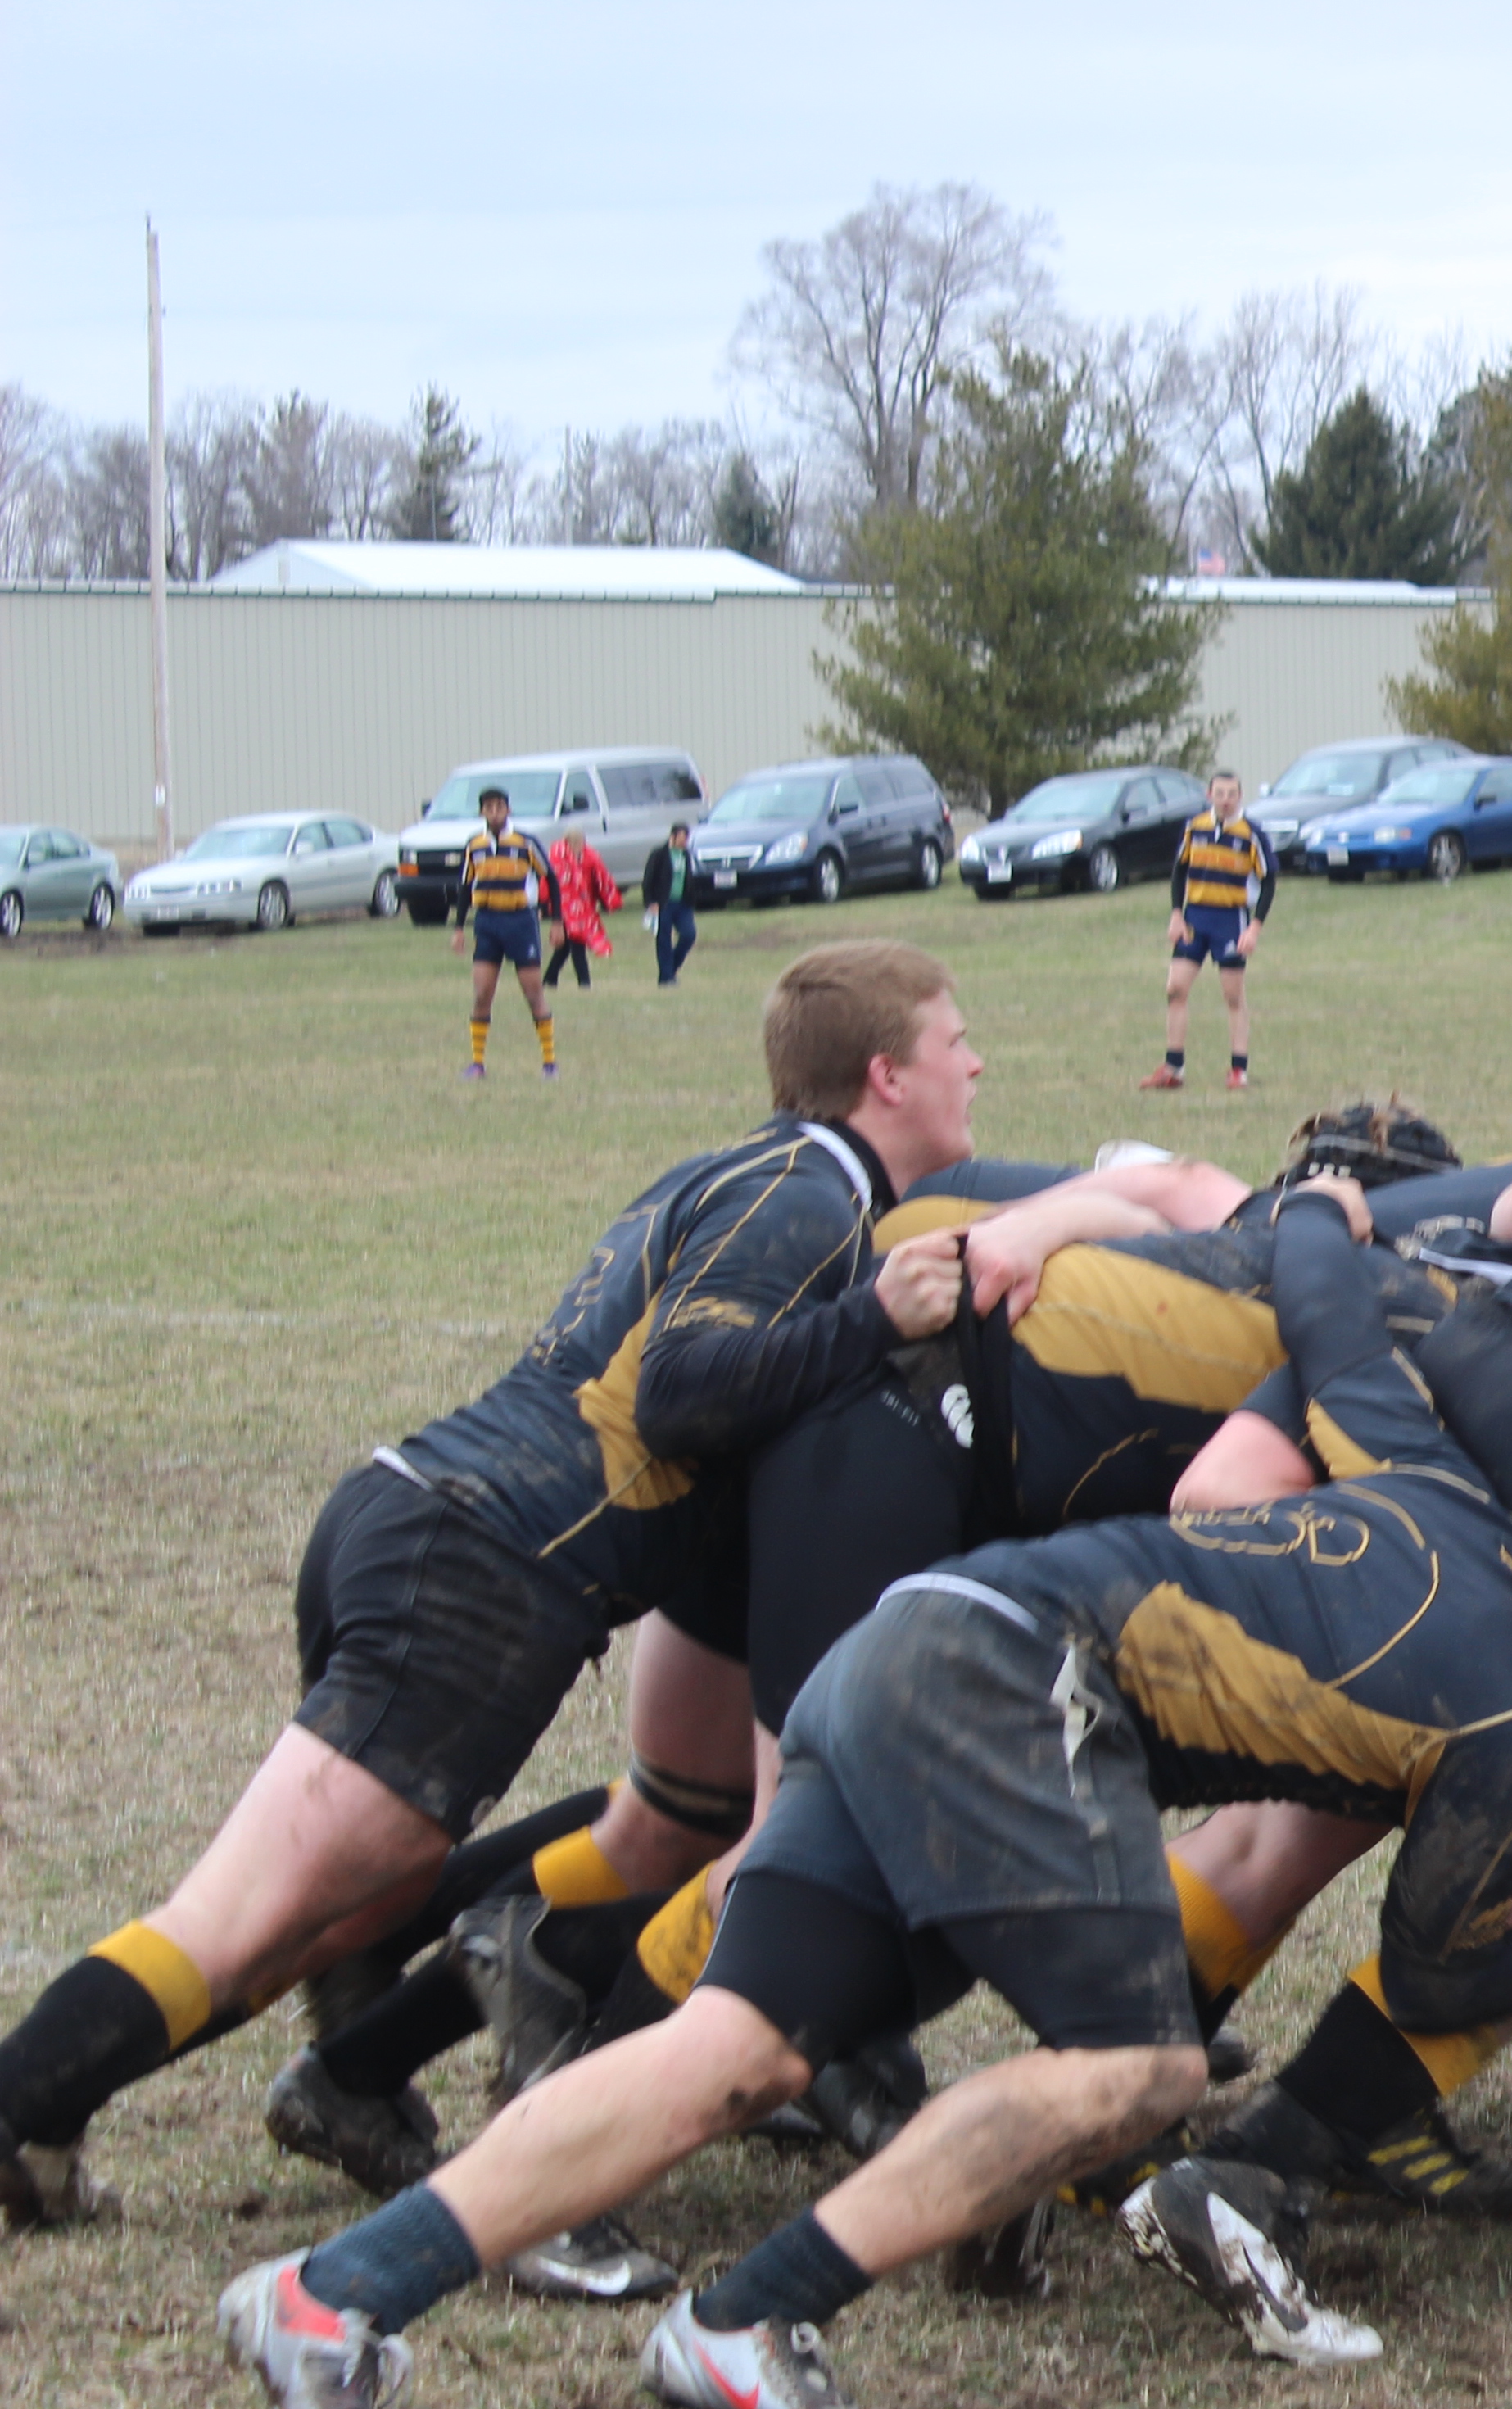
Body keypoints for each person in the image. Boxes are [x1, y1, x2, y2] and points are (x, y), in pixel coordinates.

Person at [219, 1187, 1512, 2409]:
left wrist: (1321, 1203)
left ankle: (329, 2294)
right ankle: (746, 2323)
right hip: (1018, 1682)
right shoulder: (1509, 1738)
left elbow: (1330, 1325)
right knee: (1142, 2067)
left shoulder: (1444, 1494)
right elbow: (1433, 1974)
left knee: (737, 2048)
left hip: (914, 1631)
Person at [0, 946, 983, 2239]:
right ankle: (25, 2105)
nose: (976, 1065)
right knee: (246, 1916)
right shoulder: (807, 1189)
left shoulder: (751, 1173)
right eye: (956, 1041)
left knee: (332, 1903)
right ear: (886, 1075)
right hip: (478, 1562)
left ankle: (339, 2053)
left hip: (427, 1518)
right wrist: (881, 1317)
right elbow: (684, 1387)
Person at [1146, 773, 1270, 1094]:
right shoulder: (1195, 827)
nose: (1225, 799)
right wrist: (1176, 914)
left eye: (1231, 793)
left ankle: (1238, 1070)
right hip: (1195, 919)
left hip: (1230, 920)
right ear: (1209, 794)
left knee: (1232, 995)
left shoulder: (1251, 834)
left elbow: (1268, 881)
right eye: (1220, 793)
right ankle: (1174, 1068)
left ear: (1240, 796)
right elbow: (1179, 871)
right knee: (1175, 988)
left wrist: (1254, 928)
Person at [450, 785, 557, 1080]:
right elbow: (464, 888)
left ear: (508, 809)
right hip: (487, 923)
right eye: (488, 807)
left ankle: (549, 1062)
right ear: (482, 812)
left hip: (520, 922)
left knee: (533, 992)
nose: (494, 812)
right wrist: (459, 928)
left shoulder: (525, 843)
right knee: (482, 993)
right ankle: (477, 1063)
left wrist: (557, 921)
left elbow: (552, 878)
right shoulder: (475, 845)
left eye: (499, 806)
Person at [544, 829, 618, 990]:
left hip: (583, 907)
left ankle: (550, 979)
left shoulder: (590, 856)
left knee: (565, 947)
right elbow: (550, 881)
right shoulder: (557, 857)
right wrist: (546, 905)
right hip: (563, 907)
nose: (579, 846)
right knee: (577, 943)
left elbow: (600, 878)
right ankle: (584, 982)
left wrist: (607, 900)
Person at [641, 821, 701, 987]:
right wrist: (651, 902)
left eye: (686, 838)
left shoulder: (686, 855)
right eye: (682, 838)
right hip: (663, 904)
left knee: (689, 935)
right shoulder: (659, 854)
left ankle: (670, 969)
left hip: (682, 904)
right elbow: (648, 880)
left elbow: (689, 879)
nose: (684, 842)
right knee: (664, 940)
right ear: (673, 837)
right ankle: (666, 978)